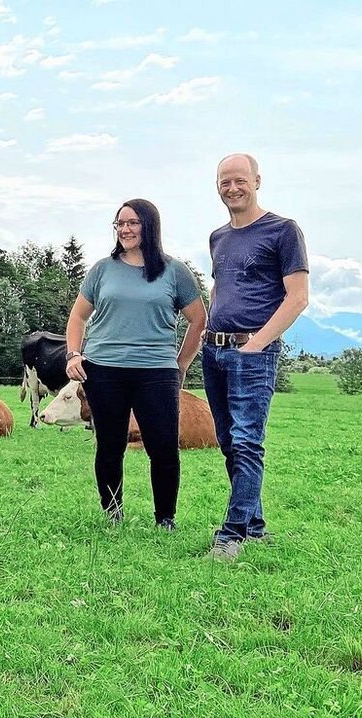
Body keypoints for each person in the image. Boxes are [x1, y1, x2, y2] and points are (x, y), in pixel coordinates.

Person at [65, 198, 206, 530]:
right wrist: (74, 354)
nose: (124, 229)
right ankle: (113, 513)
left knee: (163, 447)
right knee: (110, 445)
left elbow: (199, 320)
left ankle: (165, 518)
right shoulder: (102, 270)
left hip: (156, 372)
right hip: (104, 369)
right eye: (119, 224)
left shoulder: (175, 272)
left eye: (132, 223)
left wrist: (181, 363)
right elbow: (78, 317)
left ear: (150, 226)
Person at [202, 153, 309, 561]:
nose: (232, 188)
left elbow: (297, 298)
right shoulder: (218, 237)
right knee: (230, 442)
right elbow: (219, 289)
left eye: (239, 180)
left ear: (257, 181)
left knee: (247, 442)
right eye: (224, 181)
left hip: (252, 352)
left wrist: (257, 344)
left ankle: (231, 534)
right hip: (215, 349)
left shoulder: (283, 231)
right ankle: (255, 526)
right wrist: (210, 333)